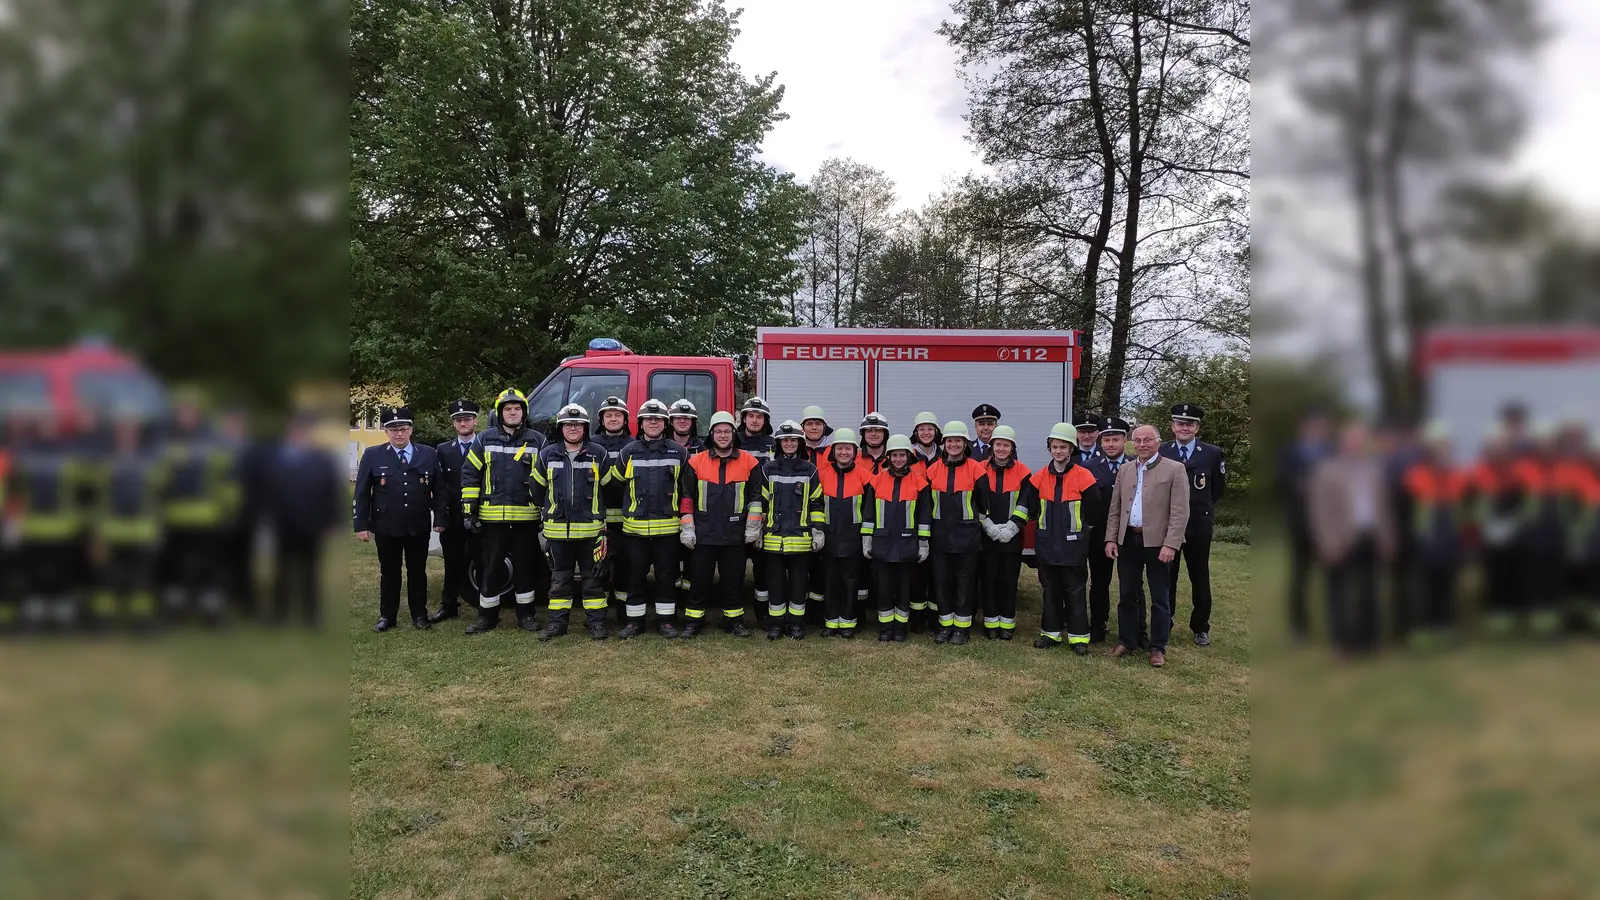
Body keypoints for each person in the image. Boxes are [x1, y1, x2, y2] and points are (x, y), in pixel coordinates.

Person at [460, 389, 548, 633]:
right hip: (492, 519)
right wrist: (469, 511)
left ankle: (526, 615)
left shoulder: (538, 441)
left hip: (526, 519)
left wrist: (544, 511)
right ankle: (487, 616)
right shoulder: (484, 439)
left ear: (524, 413)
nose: (512, 412)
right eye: (508, 408)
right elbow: (470, 474)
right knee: (490, 568)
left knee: (525, 568)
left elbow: (547, 478)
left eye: (517, 408)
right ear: (500, 413)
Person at [353, 406, 446, 632]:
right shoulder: (373, 455)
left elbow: (440, 490)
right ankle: (387, 616)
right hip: (387, 525)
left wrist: (440, 518)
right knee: (390, 572)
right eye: (393, 430)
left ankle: (420, 615)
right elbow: (362, 492)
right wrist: (361, 524)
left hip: (418, 524)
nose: (398, 434)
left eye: (403, 429)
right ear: (386, 432)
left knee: (417, 571)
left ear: (411, 429)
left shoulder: (428, 454)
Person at [1104, 424, 1190, 668]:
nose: (1142, 444)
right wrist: (1111, 538)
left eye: (1147, 440)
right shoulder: (1125, 469)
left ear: (1158, 442)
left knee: (1160, 596)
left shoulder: (1175, 469)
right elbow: (1115, 509)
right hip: (1128, 540)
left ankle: (1157, 647)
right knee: (1127, 593)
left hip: (1158, 543)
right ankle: (1127, 640)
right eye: (1138, 440)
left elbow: (1180, 512)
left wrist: (1170, 544)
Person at [1309, 423, 1395, 655]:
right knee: (1339, 593)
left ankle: (1370, 640)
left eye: (1360, 441)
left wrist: (1388, 537)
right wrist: (1327, 543)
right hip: (1341, 540)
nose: (1357, 445)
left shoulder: (1373, 470)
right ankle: (1342, 644)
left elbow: (1383, 508)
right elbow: (1320, 512)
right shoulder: (1327, 471)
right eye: (1352, 441)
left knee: (1370, 592)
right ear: (1343, 443)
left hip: (1370, 537)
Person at [530, 404, 613, 641]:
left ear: (585, 428)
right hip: (557, 533)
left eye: (577, 425)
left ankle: (596, 623)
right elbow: (537, 490)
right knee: (559, 581)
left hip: (591, 531)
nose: (573, 428)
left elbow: (610, 489)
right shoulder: (546, 455)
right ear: (561, 428)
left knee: (593, 580)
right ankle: (557, 624)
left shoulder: (599, 454)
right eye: (568, 424)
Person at [679, 410, 763, 638]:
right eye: (719, 431)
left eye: (728, 431)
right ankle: (693, 621)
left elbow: (756, 496)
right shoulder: (696, 462)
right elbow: (687, 497)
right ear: (711, 434)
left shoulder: (750, 462)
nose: (723, 435)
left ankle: (734, 621)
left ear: (734, 434)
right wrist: (687, 526)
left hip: (734, 534)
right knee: (699, 581)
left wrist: (753, 526)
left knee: (733, 581)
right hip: (703, 533)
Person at [1017, 424, 1100, 654]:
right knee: (1050, 590)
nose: (1058, 451)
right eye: (1054, 447)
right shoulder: (1039, 477)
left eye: (1063, 447)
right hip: (1047, 545)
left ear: (1071, 448)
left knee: (1075, 591)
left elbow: (1094, 511)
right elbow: (1028, 507)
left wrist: (1081, 534)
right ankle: (1050, 634)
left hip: (1074, 546)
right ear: (1049, 448)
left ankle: (1079, 639)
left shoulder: (1084, 476)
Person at [616, 399, 691, 638]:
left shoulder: (679, 452)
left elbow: (687, 490)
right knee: (635, 577)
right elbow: (616, 486)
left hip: (667, 531)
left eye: (658, 419)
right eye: (649, 419)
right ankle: (633, 622)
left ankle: (666, 621)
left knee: (666, 577)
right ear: (640, 423)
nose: (653, 423)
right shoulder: (628, 451)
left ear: (665, 424)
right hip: (634, 531)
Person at [261, 412, 342, 628]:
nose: (301, 435)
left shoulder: (322, 459)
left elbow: (331, 491)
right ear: (289, 432)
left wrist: (333, 521)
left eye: (305, 431)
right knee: (282, 571)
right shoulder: (276, 458)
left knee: (310, 572)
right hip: (283, 524)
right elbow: (266, 490)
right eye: (297, 431)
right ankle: (279, 615)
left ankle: (311, 617)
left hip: (311, 524)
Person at [87, 413, 166, 631]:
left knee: (142, 579)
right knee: (106, 579)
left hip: (143, 530)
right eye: (122, 432)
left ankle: (141, 621)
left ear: (138, 435)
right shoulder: (104, 461)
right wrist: (97, 530)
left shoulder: (150, 462)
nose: (126, 437)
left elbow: (159, 494)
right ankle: (104, 621)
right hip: (111, 530)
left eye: (130, 432)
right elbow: (96, 498)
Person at [1160, 402, 1225, 647]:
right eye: (1180, 423)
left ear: (1197, 428)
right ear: (1172, 426)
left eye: (1190, 424)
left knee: (1199, 576)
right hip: (1169, 525)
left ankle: (1200, 627)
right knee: (1168, 576)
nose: (1184, 427)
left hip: (1198, 524)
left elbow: (1217, 489)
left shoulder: (1211, 453)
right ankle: (1165, 622)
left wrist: (1199, 508)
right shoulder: (1163, 451)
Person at [1400, 422, 1467, 647]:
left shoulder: (1458, 475)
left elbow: (1465, 509)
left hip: (1450, 540)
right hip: (1425, 542)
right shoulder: (1415, 475)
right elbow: (1406, 512)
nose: (1443, 450)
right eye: (1439, 446)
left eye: (1447, 446)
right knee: (1424, 588)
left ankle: (1445, 628)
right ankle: (1423, 630)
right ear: (1429, 449)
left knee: (1447, 586)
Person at [925, 421, 992, 644]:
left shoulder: (977, 469)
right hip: (940, 537)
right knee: (942, 583)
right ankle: (945, 626)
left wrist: (973, 526)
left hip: (967, 539)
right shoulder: (932, 470)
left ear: (965, 443)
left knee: (965, 583)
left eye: (958, 441)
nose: (953, 444)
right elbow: (927, 504)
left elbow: (984, 505)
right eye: (950, 441)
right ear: (943, 443)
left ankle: (962, 628)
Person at [758, 420, 824, 640]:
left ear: (800, 443)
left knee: (798, 584)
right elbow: (761, 503)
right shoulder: (768, 469)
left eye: (793, 440)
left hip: (801, 539)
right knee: (775, 583)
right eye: (784, 440)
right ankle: (775, 624)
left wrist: (818, 530)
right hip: (774, 539)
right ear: (778, 443)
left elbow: (816, 503)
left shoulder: (810, 470)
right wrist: (756, 529)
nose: (788, 444)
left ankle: (796, 623)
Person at [862, 434, 931, 642]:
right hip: (882, 545)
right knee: (884, 588)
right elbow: (868, 515)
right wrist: (867, 539)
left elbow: (924, 516)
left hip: (907, 545)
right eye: (895, 455)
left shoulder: (920, 483)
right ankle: (885, 628)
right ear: (888, 457)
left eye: (902, 455)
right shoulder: (876, 482)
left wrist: (923, 542)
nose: (899, 459)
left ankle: (900, 628)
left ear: (909, 457)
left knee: (903, 589)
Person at [1274, 407, 1332, 641]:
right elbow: (1281, 482)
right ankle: (1299, 626)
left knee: (1332, 576)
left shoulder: (1331, 451)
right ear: (1305, 428)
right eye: (1314, 426)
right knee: (1300, 576)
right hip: (1301, 524)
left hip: (1328, 526)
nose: (1318, 430)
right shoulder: (1290, 452)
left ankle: (1332, 622)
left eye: (1322, 426)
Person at [1465, 427, 1524, 636]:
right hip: (1488, 532)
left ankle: (1513, 611)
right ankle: (1495, 612)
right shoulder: (1478, 472)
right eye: (1495, 447)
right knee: (1493, 572)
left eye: (1502, 447)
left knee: (1512, 571)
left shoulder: (1516, 471)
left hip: (1511, 530)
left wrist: (1515, 522)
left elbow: (1522, 501)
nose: (1499, 451)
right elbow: (1470, 503)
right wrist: (1480, 523)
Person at [428, 398, 481, 624]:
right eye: (458, 420)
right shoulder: (442, 450)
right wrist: (440, 516)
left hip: (480, 515)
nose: (463, 423)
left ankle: (485, 606)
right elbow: (438, 487)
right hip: (452, 515)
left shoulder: (485, 445)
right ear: (453, 424)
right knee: (451, 563)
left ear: (475, 421)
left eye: (467, 419)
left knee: (482, 561)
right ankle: (449, 605)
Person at [815, 427, 871, 636]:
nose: (843, 453)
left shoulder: (866, 477)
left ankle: (848, 623)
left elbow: (869, 511)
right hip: (829, 538)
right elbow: (816, 505)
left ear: (855, 451)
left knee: (850, 582)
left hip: (853, 539)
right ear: (833, 450)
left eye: (848, 448)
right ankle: (830, 623)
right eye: (840, 448)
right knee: (830, 582)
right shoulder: (821, 475)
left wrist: (866, 537)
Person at [1084, 416, 1135, 643]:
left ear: (1125, 439)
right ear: (1100, 441)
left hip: (1129, 534)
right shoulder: (1088, 467)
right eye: (1106, 440)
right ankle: (1098, 625)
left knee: (1132, 585)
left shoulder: (1136, 465)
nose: (1111, 444)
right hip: (1099, 534)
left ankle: (1134, 631)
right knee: (1099, 582)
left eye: (1115, 439)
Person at [977, 424, 1031, 640]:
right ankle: (990, 623)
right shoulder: (979, 468)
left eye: (1005, 445)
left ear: (1012, 448)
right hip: (986, 536)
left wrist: (1013, 527)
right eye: (998, 444)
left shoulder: (1023, 471)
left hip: (1012, 537)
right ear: (992, 446)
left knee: (1009, 581)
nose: (1001, 449)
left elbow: (1026, 503)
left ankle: (1007, 624)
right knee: (988, 580)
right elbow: (976, 501)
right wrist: (987, 525)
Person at [591, 395, 634, 623]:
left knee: (625, 569)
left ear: (625, 419)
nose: (613, 419)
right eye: (609, 415)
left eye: (618, 415)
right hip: (600, 518)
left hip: (626, 519)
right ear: (602, 419)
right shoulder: (591, 444)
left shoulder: (634, 444)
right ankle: (598, 613)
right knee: (599, 567)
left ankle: (624, 613)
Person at [735, 396, 775, 620]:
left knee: (763, 568)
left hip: (764, 513)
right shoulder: (733, 441)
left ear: (765, 420)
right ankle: (734, 610)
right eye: (751, 415)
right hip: (736, 513)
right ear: (744, 419)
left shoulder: (773, 444)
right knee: (736, 568)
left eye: (759, 416)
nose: (755, 420)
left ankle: (762, 611)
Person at [907, 411, 942, 629]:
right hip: (914, 523)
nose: (926, 432)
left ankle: (936, 618)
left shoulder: (945, 456)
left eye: (930, 428)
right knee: (917, 575)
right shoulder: (907, 456)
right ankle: (917, 619)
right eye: (921, 429)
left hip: (940, 524)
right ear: (916, 432)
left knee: (939, 574)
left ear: (936, 432)